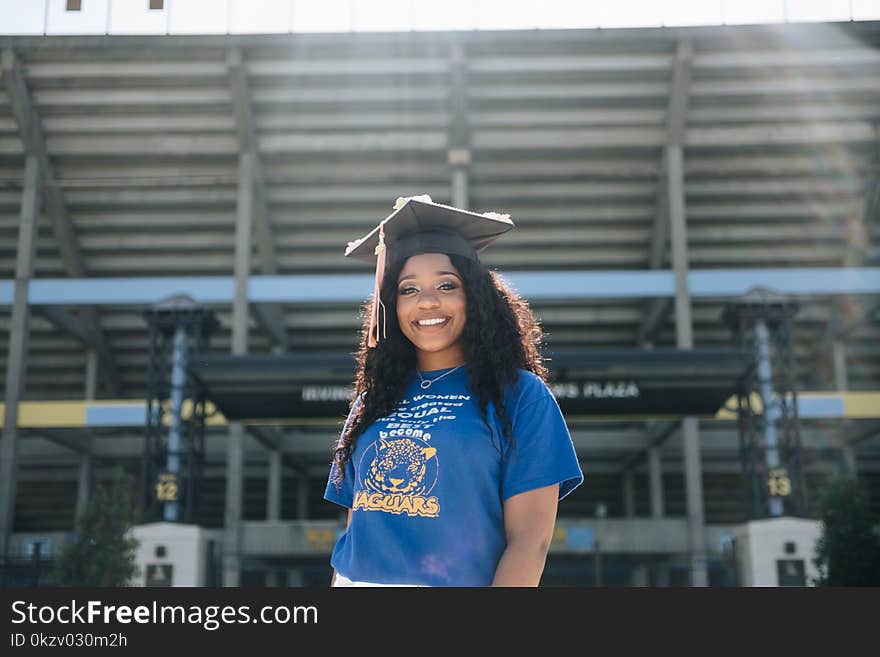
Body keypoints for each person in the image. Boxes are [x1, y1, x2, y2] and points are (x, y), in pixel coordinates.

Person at [323, 194, 583, 587]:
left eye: (447, 285)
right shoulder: (373, 401)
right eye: (408, 290)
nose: (427, 302)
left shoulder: (519, 396)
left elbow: (531, 541)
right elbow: (358, 527)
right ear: (390, 305)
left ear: (475, 297)